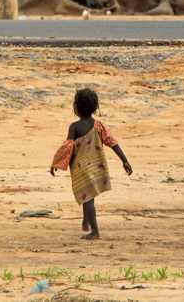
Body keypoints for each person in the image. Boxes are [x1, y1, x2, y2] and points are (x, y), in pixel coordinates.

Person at [50, 88, 132, 240]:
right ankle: (86, 222)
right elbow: (113, 142)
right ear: (95, 107)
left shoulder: (74, 127)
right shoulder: (99, 125)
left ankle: (95, 231)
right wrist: (124, 160)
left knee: (87, 197)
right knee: (88, 195)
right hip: (96, 166)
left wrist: (55, 163)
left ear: (76, 107)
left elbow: (67, 147)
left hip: (81, 169)